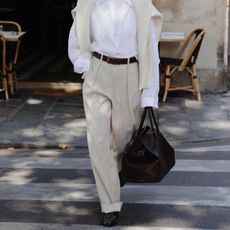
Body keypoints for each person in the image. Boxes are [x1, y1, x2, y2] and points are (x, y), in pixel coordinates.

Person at [68, 0, 162, 227]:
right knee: (98, 141)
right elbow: (76, 39)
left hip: (131, 72)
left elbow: (152, 53)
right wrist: (84, 65)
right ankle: (109, 205)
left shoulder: (141, 7)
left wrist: (150, 97)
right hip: (98, 72)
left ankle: (117, 169)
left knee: (123, 136)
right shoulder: (89, 4)